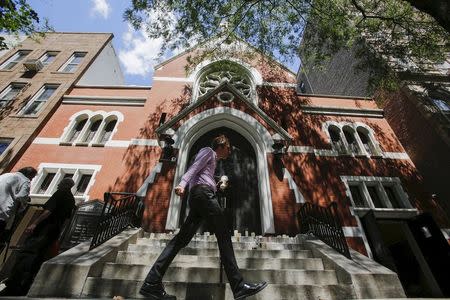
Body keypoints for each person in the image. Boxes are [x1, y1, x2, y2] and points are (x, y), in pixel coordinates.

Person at [139, 135, 267, 300]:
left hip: (201, 195)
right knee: (223, 234)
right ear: (221, 145)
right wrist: (182, 183)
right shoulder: (208, 151)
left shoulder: (212, 161)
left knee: (181, 240)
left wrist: (217, 184)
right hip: (203, 195)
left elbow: (201, 175)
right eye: (228, 148)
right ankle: (238, 285)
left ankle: (151, 282)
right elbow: (195, 167)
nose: (229, 151)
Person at [0, 177, 76, 296]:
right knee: (38, 258)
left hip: (43, 229)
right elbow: (67, 219)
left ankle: (15, 285)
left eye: (60, 182)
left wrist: (34, 224)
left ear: (64, 184)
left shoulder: (60, 193)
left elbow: (48, 211)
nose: (58, 184)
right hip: (53, 232)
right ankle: (26, 286)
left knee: (27, 255)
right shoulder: (71, 199)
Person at [0, 167, 37, 236]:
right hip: (2, 213)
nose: (31, 180)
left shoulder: (5, 175)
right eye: (32, 178)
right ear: (29, 175)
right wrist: (23, 207)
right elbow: (22, 197)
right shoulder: (25, 181)